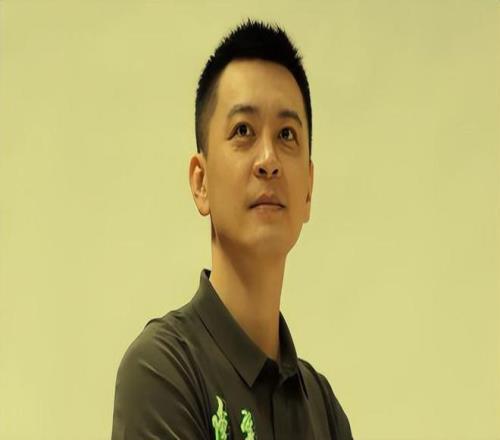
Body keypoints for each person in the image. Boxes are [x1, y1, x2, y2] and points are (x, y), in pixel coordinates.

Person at [111, 18, 354, 440]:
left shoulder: (325, 411)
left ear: (309, 189)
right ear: (201, 182)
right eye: (243, 131)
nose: (268, 159)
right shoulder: (163, 370)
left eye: (287, 134)